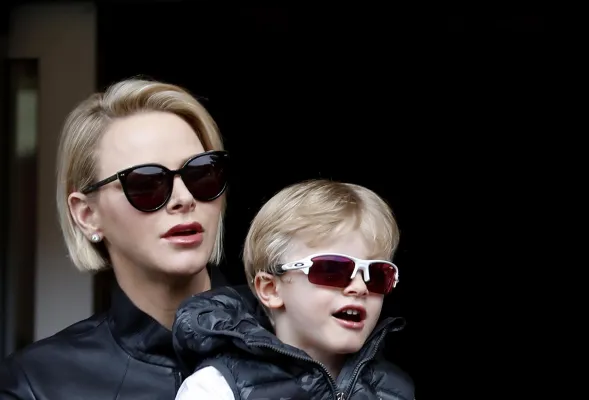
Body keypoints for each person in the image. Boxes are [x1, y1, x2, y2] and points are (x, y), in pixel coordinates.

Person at [0, 78, 231, 399]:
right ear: (87, 214)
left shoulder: (290, 337)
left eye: (201, 173)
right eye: (146, 182)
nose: (184, 198)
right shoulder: (36, 383)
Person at [172, 179, 415, 400]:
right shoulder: (217, 388)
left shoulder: (395, 390)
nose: (360, 287)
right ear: (271, 289)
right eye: (332, 269)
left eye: (377, 274)